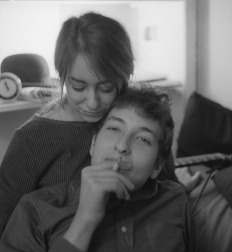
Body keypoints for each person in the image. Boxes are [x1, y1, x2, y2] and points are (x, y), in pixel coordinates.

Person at [0, 85, 224, 252]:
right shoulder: (37, 208)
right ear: (93, 144)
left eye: (143, 139)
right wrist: (85, 220)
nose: (122, 146)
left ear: (157, 167)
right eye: (115, 129)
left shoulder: (175, 199)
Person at [0, 11, 134, 236]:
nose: (92, 103)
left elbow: (167, 193)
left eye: (106, 88)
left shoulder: (142, 123)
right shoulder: (31, 140)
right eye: (78, 87)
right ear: (61, 77)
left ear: (125, 77)